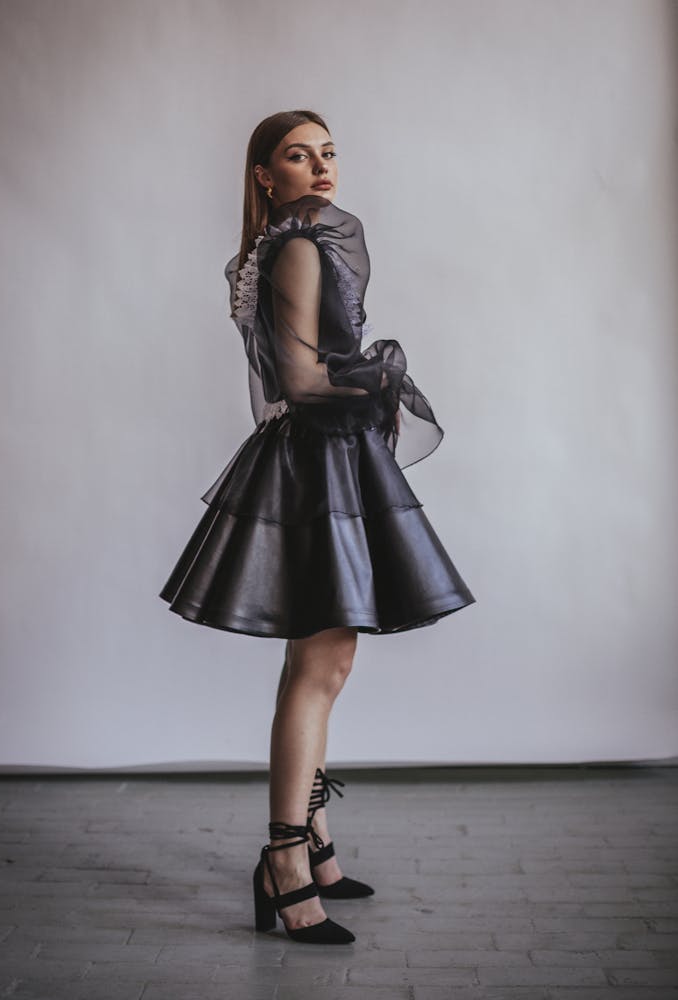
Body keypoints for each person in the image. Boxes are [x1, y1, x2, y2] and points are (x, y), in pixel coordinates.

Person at [158, 109, 476, 944]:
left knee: (322, 661)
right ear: (267, 176)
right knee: (322, 660)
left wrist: (368, 385)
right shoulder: (298, 247)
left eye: (329, 151)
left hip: (325, 457)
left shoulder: (298, 244)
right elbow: (300, 380)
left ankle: (316, 845)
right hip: (318, 459)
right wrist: (381, 379)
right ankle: (286, 863)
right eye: (299, 155)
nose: (322, 165)